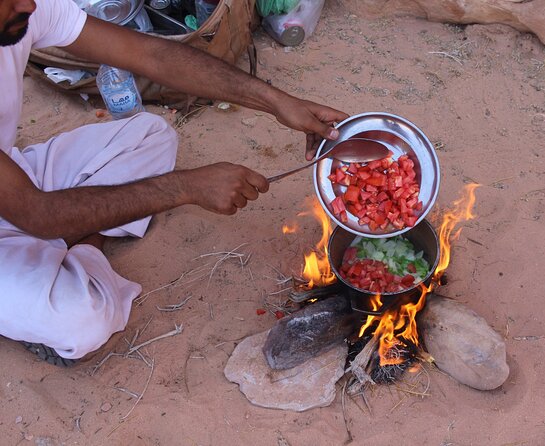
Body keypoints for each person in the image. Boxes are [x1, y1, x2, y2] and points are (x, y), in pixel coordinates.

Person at [0, 0, 349, 366]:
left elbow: (151, 55)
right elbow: (38, 214)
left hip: (13, 177)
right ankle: (70, 256)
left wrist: (277, 101)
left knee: (151, 134)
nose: (29, 3)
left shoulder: (26, 7)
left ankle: (74, 241)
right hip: (28, 206)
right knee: (82, 323)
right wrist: (185, 187)